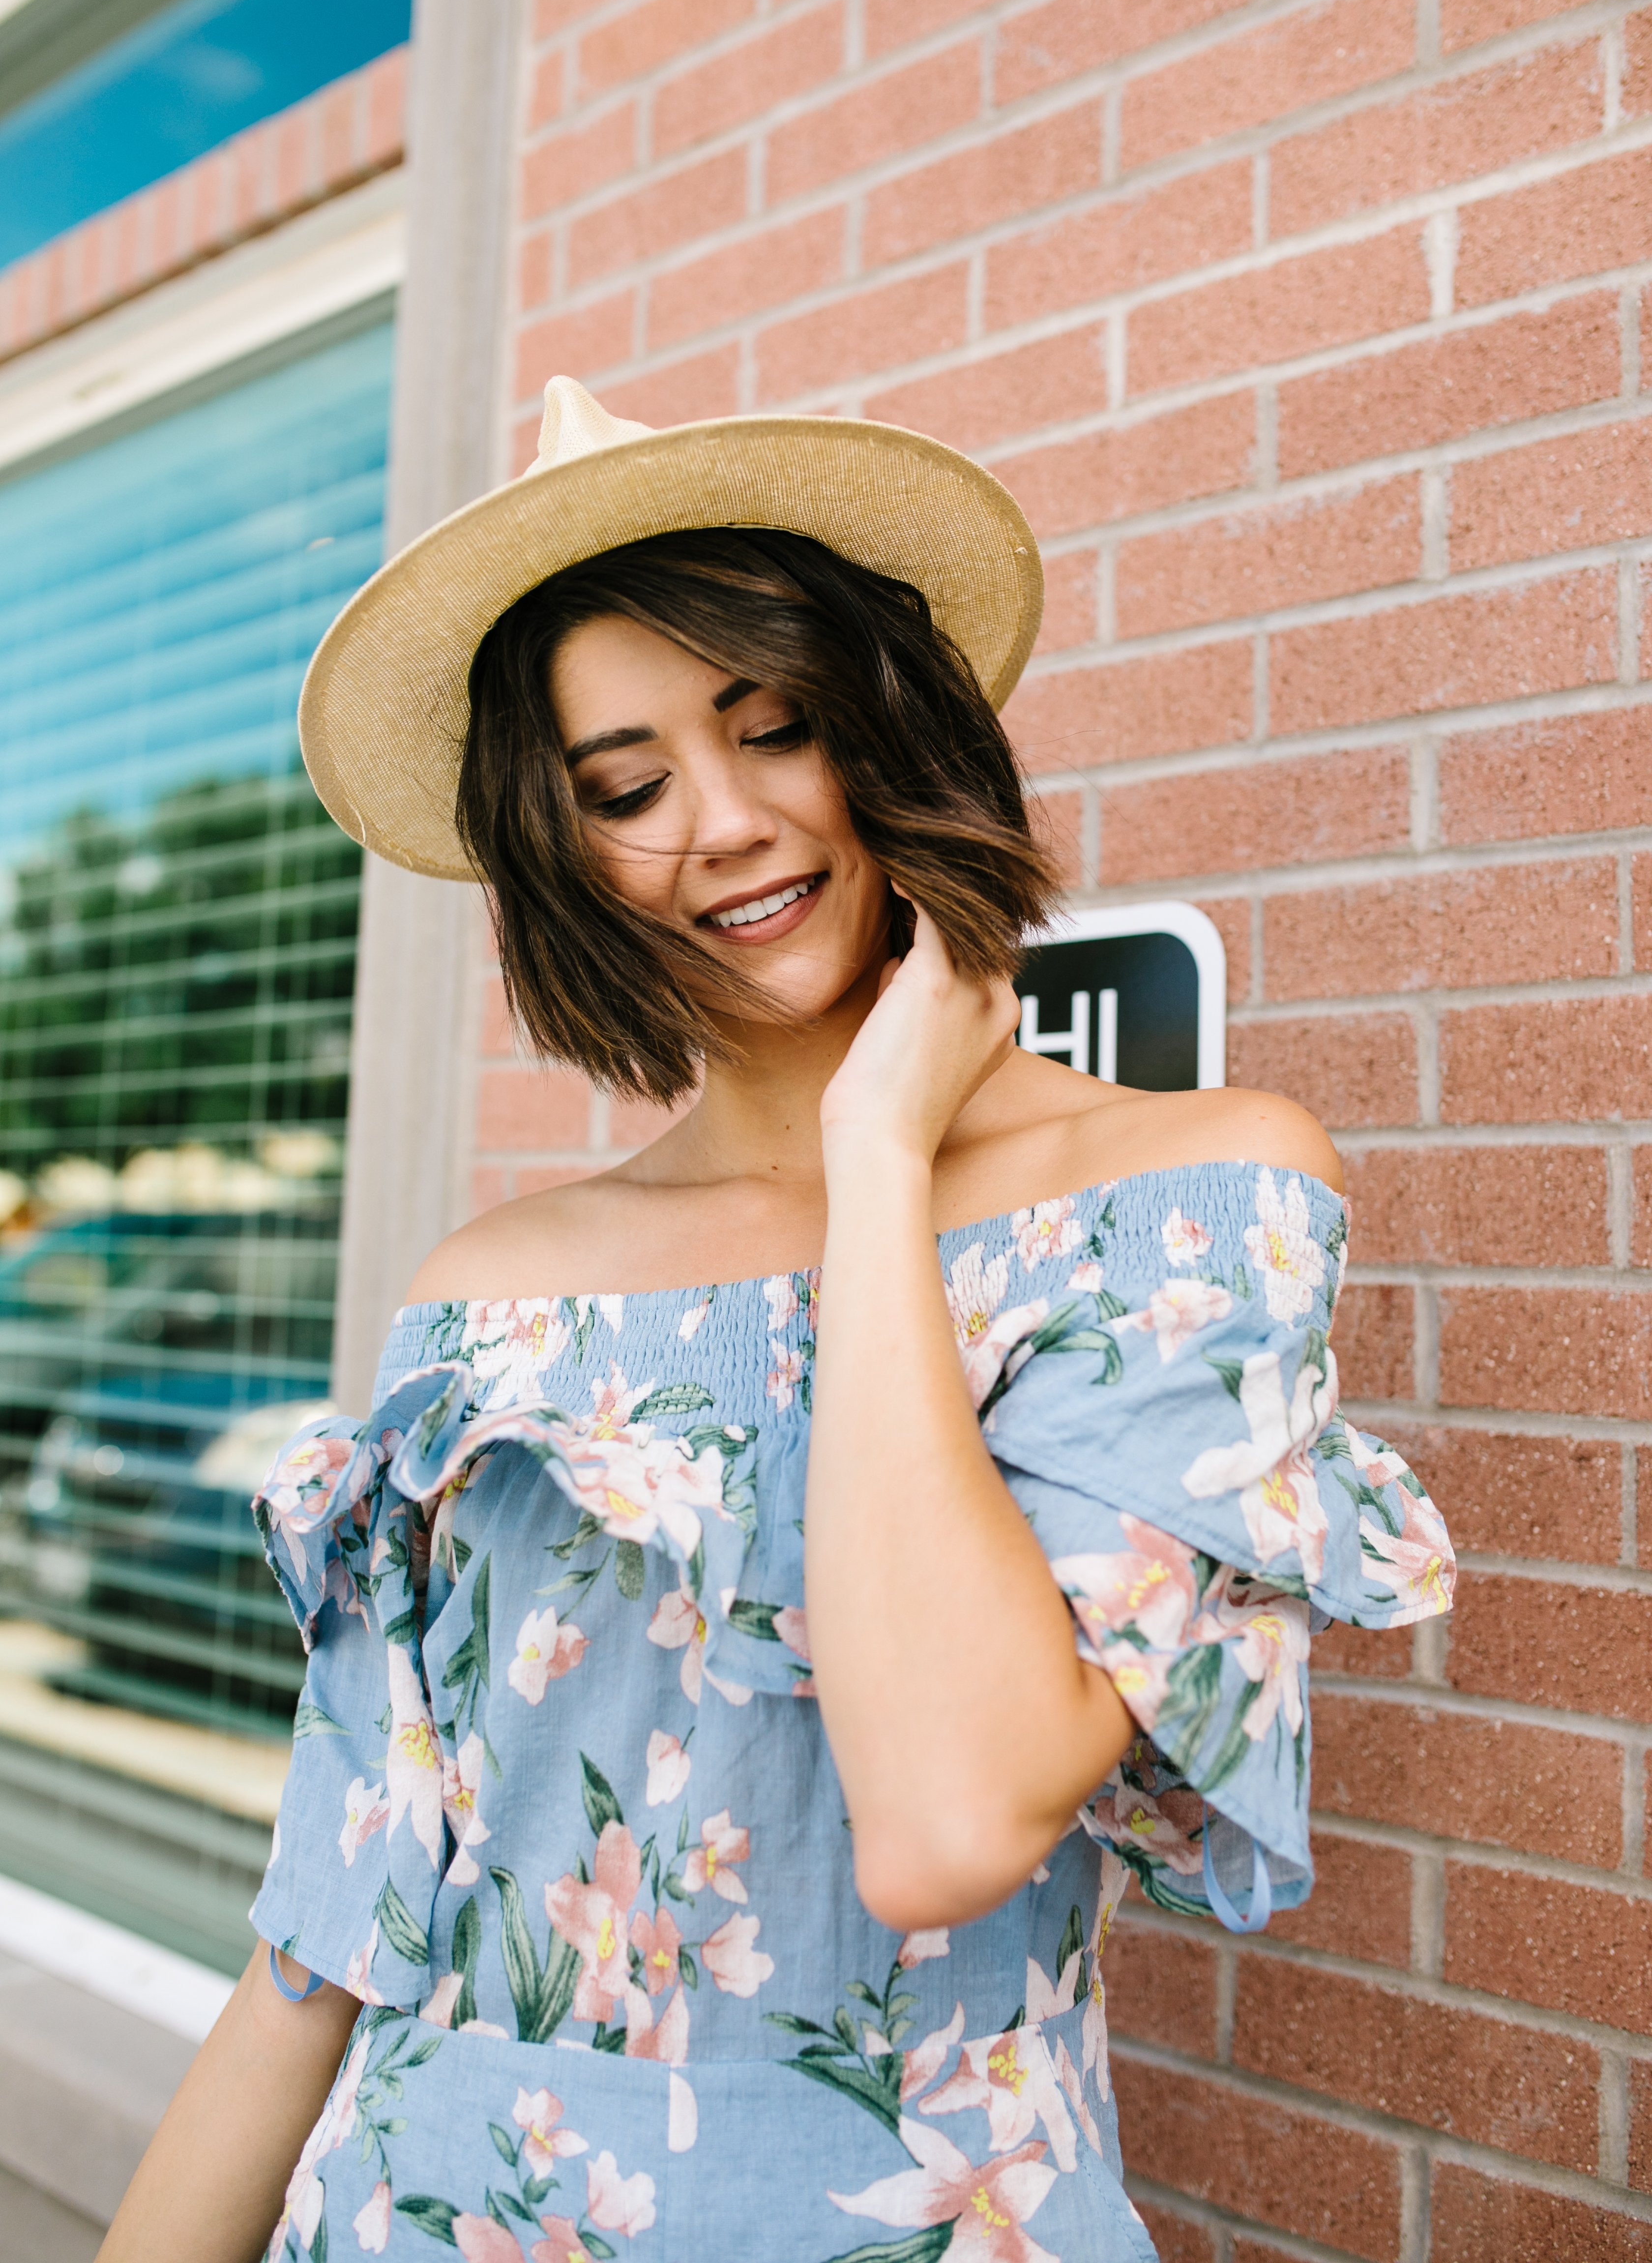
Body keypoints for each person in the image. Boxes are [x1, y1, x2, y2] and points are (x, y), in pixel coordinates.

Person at [102, 379, 1454, 2263]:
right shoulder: (489, 1300)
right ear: (557, 854)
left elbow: (950, 1823)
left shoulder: (1175, 1206)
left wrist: (883, 1155)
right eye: (630, 788)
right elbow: (328, 1934)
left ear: (881, 730)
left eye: (778, 729)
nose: (726, 825)